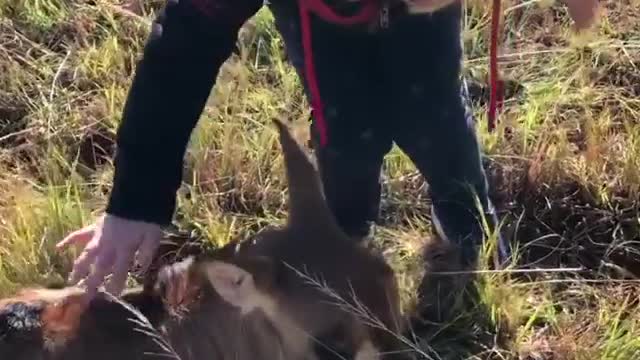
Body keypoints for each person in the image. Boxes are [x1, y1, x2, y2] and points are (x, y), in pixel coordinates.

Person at [56, 0, 600, 300]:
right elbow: (184, 43)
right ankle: (346, 239)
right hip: (318, 22)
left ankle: (466, 225)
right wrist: (137, 199)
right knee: (347, 134)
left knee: (435, 121)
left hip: (424, 20)